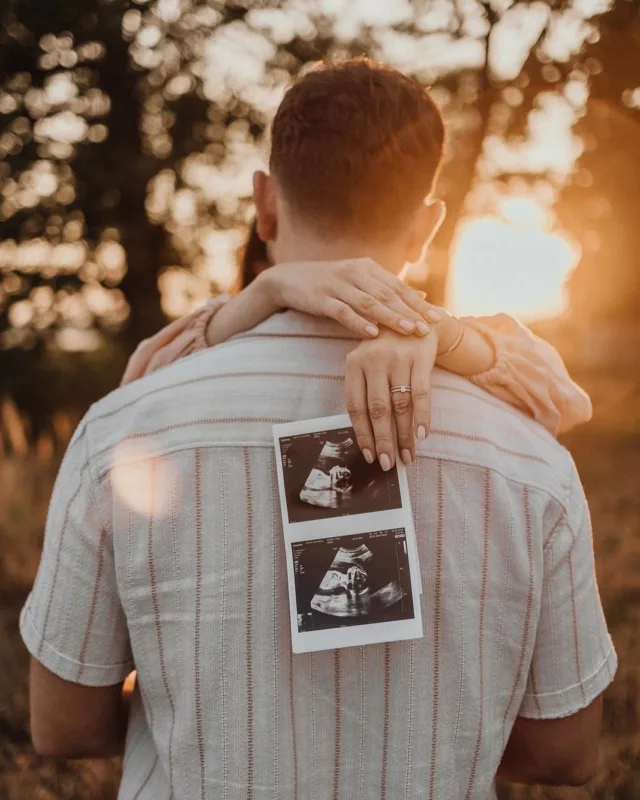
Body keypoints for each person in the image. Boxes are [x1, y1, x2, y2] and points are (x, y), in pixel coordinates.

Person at [21, 59, 616, 800]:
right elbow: (565, 755)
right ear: (427, 227)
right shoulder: (531, 458)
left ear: (263, 205)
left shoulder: (123, 431)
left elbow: (64, 727)